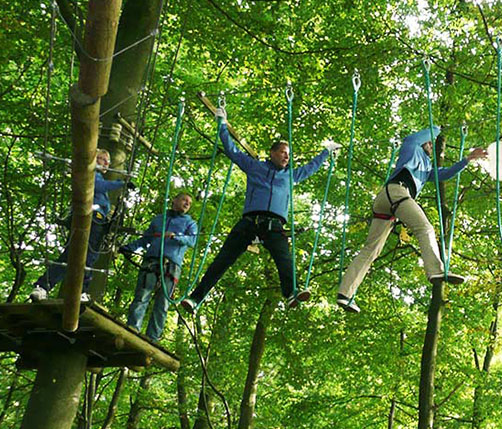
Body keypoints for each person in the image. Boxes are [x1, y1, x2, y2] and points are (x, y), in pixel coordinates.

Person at [180, 107, 340, 314]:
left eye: (288, 154)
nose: (286, 157)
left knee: (285, 260)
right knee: (223, 260)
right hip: (249, 223)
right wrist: (221, 123)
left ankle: (291, 292)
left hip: (274, 226)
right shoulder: (255, 167)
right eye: (282, 152)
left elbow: (311, 167)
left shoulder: (290, 176)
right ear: (272, 153)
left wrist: (326, 151)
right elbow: (232, 150)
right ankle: (195, 298)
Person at [336, 127, 486, 313]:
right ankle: (435, 271)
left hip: (388, 201)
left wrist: (467, 159)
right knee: (425, 228)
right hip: (397, 192)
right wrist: (438, 127)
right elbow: (412, 138)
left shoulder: (427, 168)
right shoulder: (412, 147)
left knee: (371, 249)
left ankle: (345, 294)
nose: (431, 145)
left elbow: (445, 173)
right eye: (429, 142)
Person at [30, 148, 134, 302]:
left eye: (108, 161)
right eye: (102, 159)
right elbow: (98, 186)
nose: (106, 163)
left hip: (97, 223)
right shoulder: (90, 174)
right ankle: (43, 286)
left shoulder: (98, 180)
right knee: (72, 254)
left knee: (89, 258)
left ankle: (81, 291)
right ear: (93, 159)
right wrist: (121, 183)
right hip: (86, 218)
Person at [120, 192, 197, 341]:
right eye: (184, 200)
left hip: (172, 266)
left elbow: (192, 241)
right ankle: (132, 329)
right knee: (142, 295)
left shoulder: (190, 223)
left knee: (162, 303)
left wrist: (175, 236)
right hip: (152, 261)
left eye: (189, 203)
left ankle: (152, 339)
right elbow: (145, 239)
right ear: (174, 200)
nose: (187, 204)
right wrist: (128, 248)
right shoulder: (159, 220)